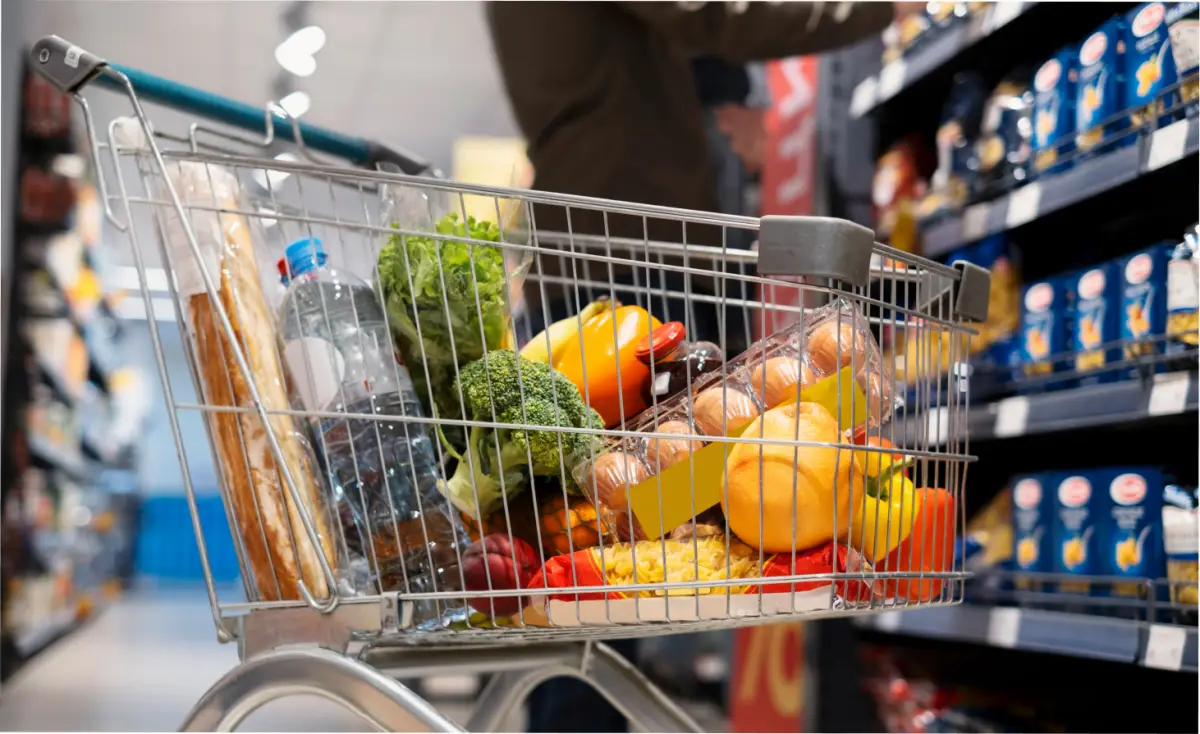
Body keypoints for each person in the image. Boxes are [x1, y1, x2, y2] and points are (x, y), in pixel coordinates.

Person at [485, 3, 923, 731]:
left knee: (600, 540)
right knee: (623, 538)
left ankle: (581, 709)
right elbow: (717, 13)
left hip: (586, 254)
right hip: (635, 264)